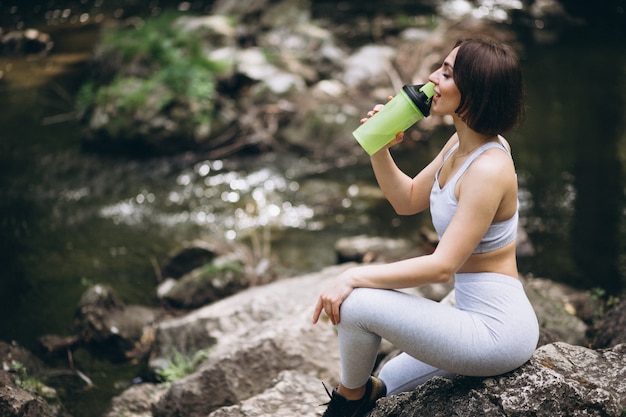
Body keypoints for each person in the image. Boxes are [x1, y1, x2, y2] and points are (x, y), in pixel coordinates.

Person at [312, 37, 540, 417]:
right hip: (466, 310)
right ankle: (361, 397)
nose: (433, 78)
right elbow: (408, 199)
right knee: (385, 381)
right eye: (440, 67)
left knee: (353, 304)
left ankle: (345, 406)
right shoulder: (459, 144)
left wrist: (354, 275)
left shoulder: (488, 168)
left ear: (477, 92)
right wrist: (380, 146)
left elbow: (441, 266)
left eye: (447, 74)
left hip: (495, 332)